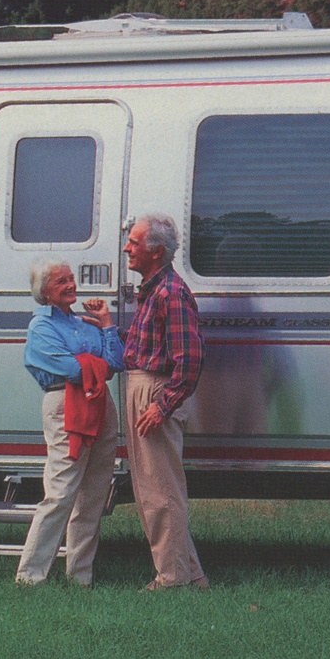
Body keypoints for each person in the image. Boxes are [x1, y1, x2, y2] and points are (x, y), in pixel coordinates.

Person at [15, 259, 124, 587]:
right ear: (45, 292)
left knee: (94, 493)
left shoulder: (85, 323)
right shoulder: (41, 327)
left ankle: (80, 576)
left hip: (100, 403)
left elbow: (116, 361)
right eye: (61, 281)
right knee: (61, 492)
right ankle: (30, 576)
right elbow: (72, 370)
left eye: (71, 278)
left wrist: (106, 323)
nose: (71, 285)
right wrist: (95, 362)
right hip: (65, 403)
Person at [120, 214, 210, 590]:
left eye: (134, 242)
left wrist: (162, 405)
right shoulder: (154, 290)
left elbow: (190, 358)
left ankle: (171, 579)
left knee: (160, 492)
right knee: (156, 488)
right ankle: (192, 576)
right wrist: (108, 327)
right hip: (146, 388)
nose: (127, 248)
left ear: (156, 251)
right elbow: (146, 346)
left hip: (154, 393)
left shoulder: (170, 293)